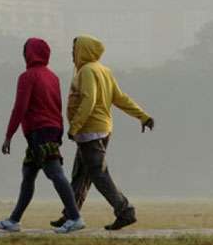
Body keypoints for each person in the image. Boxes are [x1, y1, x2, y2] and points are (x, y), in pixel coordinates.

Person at [51, 35, 155, 231]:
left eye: (75, 50)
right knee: (81, 174)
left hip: (90, 131)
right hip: (101, 129)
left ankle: (125, 211)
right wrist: (143, 116)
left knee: (98, 174)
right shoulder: (103, 70)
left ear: (84, 51)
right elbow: (120, 98)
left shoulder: (87, 71)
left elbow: (88, 100)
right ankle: (70, 214)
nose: (72, 54)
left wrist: (74, 127)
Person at [0, 38, 85, 234]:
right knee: (28, 175)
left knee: (55, 173)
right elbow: (57, 106)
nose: (24, 54)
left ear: (29, 53)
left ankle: (75, 217)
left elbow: (20, 107)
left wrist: (9, 135)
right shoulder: (53, 77)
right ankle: (14, 220)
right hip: (50, 130)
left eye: (25, 51)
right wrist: (59, 130)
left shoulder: (27, 77)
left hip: (39, 132)